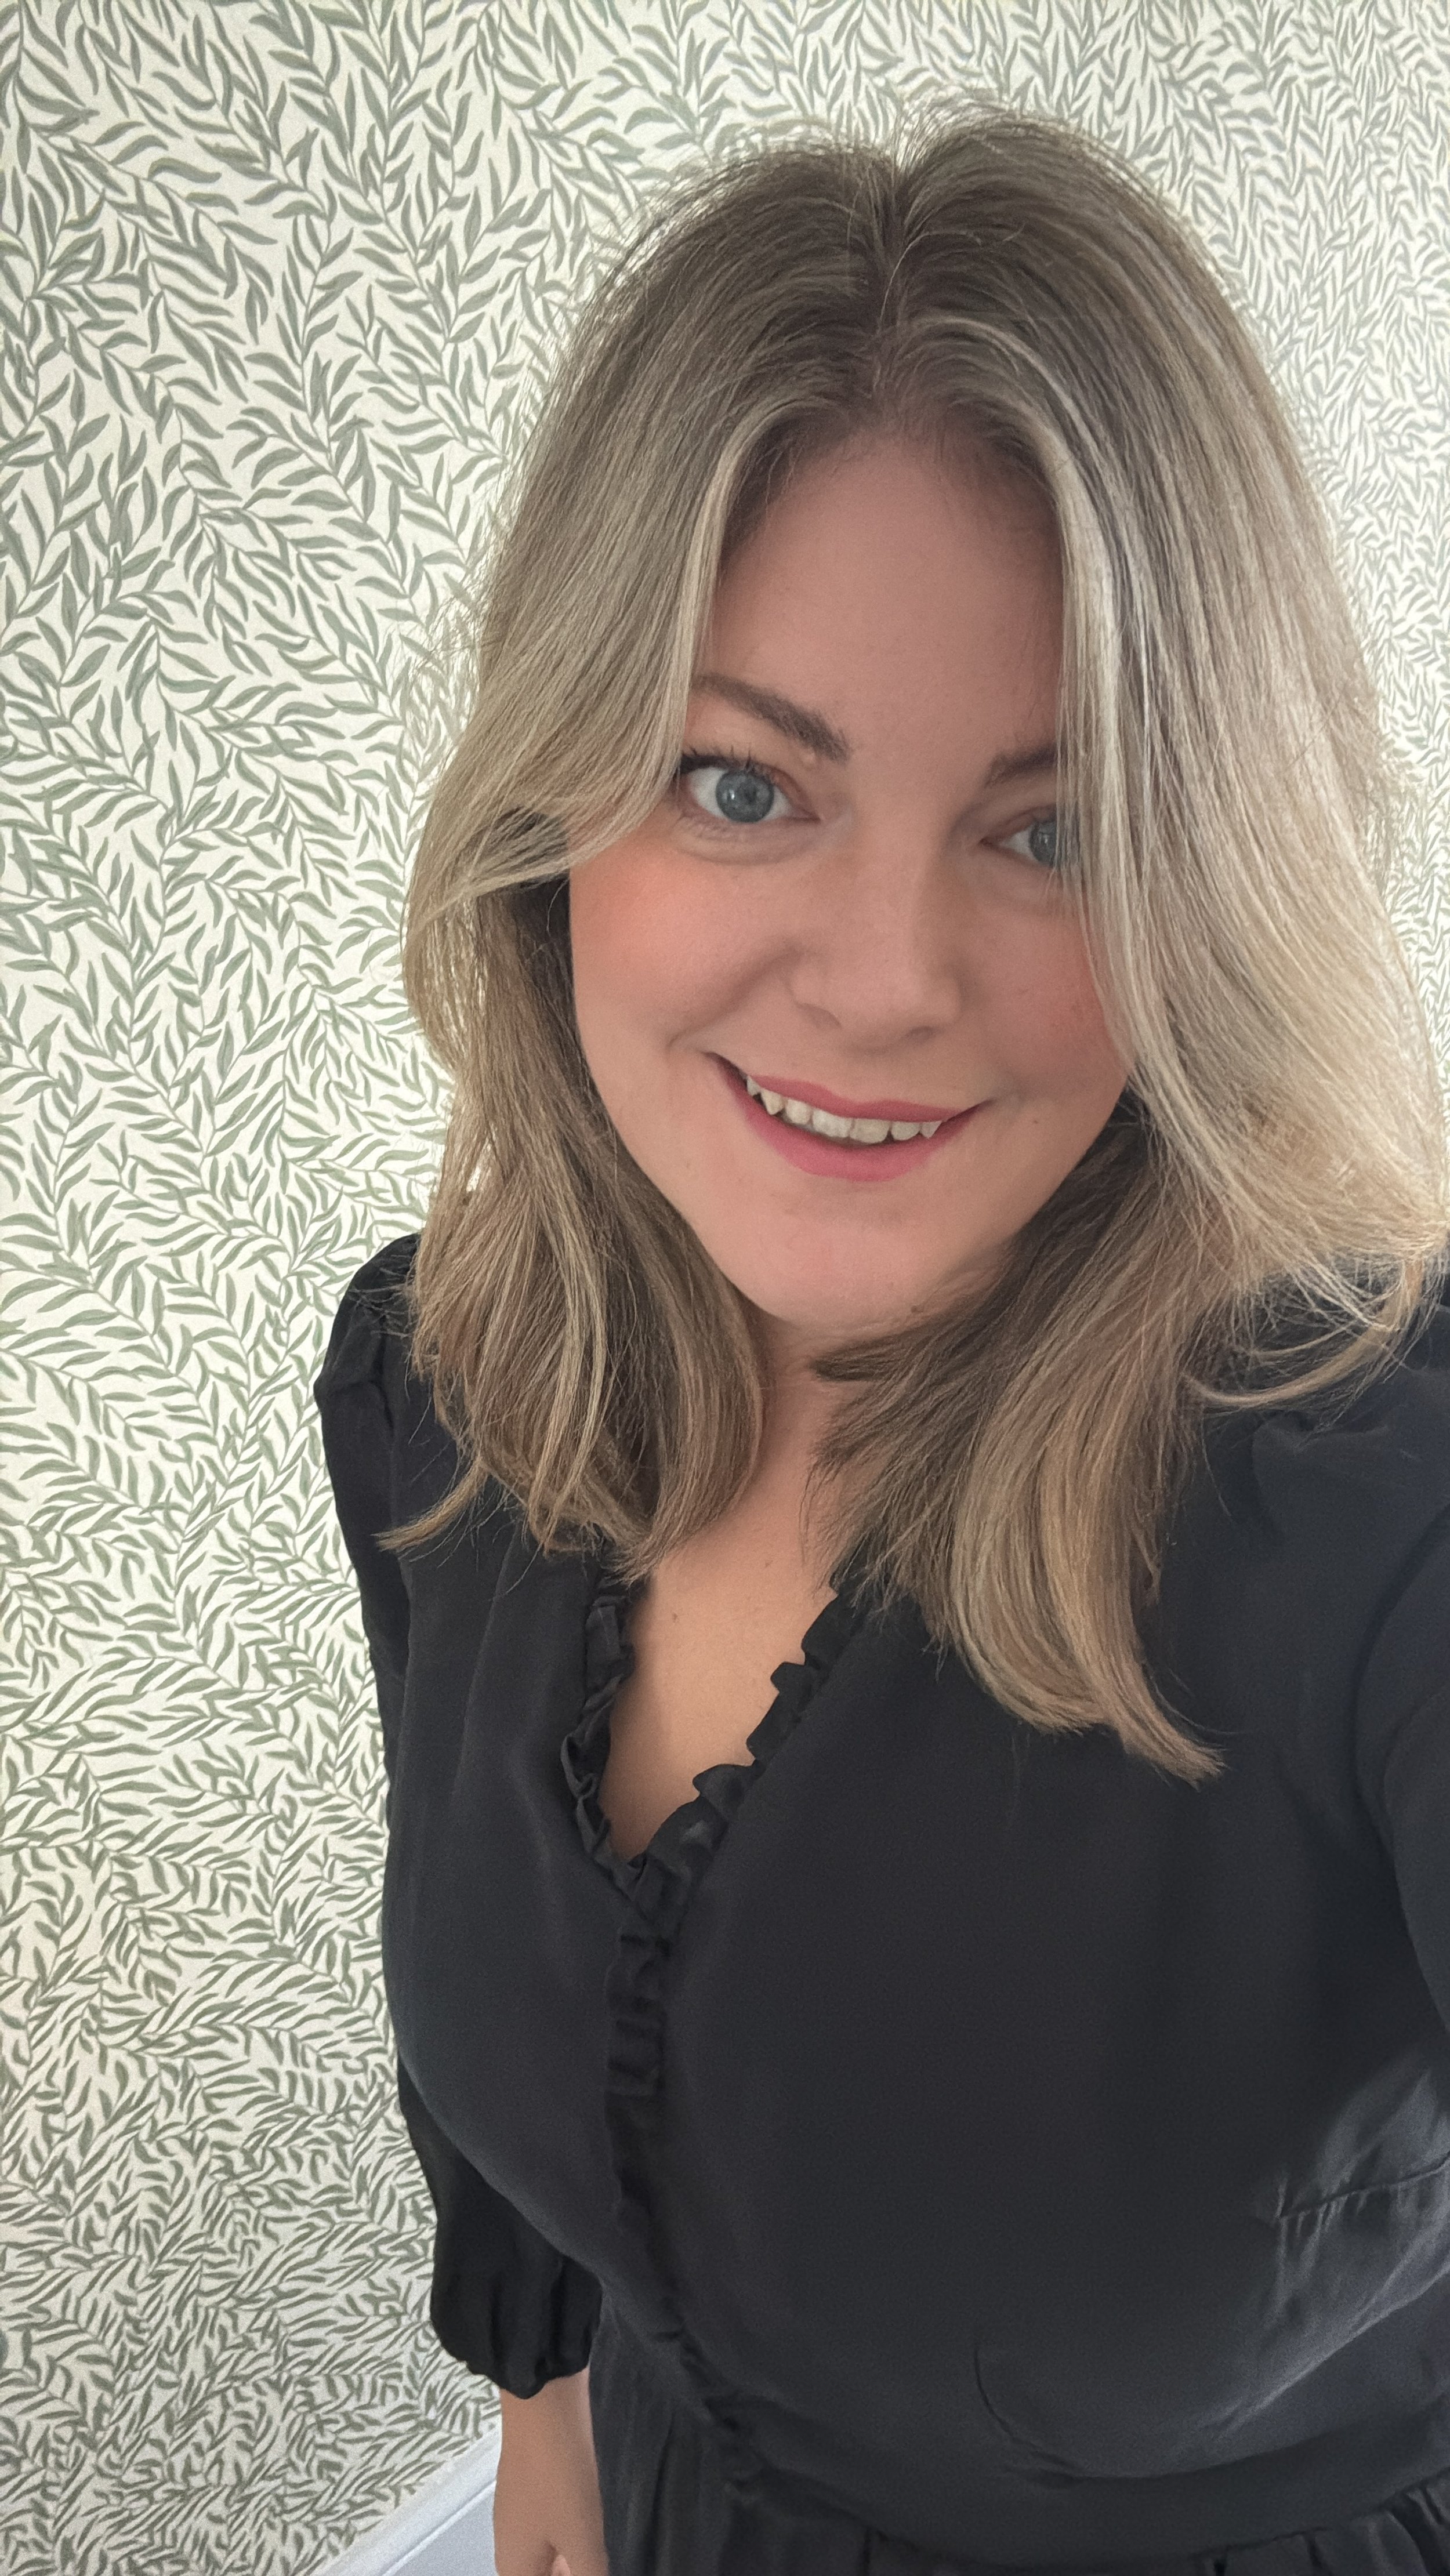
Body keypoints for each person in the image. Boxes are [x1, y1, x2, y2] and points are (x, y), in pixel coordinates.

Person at [313, 100, 1450, 2576]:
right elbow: (498, 2112)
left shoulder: (1380, 1513)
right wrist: (543, 2437)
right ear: (555, 813)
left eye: (1051, 828)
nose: (889, 982)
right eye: (743, 783)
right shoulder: (452, 1380)